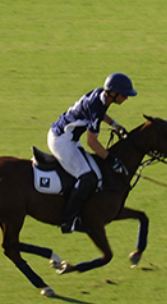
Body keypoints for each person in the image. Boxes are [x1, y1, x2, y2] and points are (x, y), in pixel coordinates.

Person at [49, 73, 136, 233]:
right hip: (62, 142)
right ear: (113, 93)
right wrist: (112, 160)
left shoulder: (101, 95)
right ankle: (68, 221)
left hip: (68, 138)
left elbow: (100, 113)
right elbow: (92, 142)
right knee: (88, 177)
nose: (126, 98)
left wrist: (114, 124)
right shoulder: (96, 105)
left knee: (95, 173)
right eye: (124, 95)